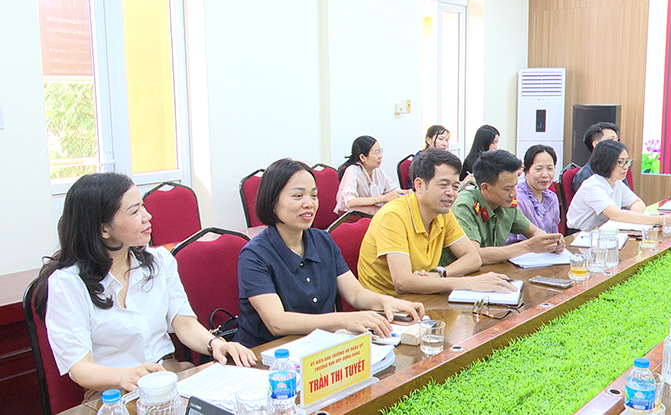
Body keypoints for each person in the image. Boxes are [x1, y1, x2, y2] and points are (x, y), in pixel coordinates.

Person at [35, 173, 256, 399]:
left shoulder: (159, 261)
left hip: (167, 377)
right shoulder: (67, 283)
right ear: (103, 229)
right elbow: (80, 368)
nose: (147, 216)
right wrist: (126, 376)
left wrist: (214, 344)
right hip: (113, 392)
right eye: (134, 211)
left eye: (143, 206)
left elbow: (185, 324)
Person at [235, 159, 424, 348]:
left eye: (313, 195)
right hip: (268, 353)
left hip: (318, 347)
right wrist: (343, 320)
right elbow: (277, 322)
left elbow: (355, 294)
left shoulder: (322, 240)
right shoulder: (255, 255)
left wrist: (386, 302)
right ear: (272, 202)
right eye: (298, 196)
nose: (309, 204)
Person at [357, 148, 516, 296]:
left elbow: (473, 258)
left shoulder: (442, 213)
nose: (451, 193)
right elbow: (403, 282)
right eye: (443, 185)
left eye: (455, 186)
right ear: (419, 185)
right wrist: (466, 283)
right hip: (386, 306)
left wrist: (439, 273)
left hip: (423, 298)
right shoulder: (393, 216)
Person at [442, 149, 564, 266]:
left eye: (515, 186)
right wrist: (528, 246)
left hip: (492, 272)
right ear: (485, 188)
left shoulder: (506, 204)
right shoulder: (464, 206)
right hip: (459, 276)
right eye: (507, 188)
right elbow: (475, 255)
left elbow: (533, 231)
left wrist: (550, 242)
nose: (514, 194)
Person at [566, 140, 671, 230]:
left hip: (604, 230)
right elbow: (615, 215)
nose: (625, 167)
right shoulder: (593, 186)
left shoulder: (617, 183)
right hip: (581, 235)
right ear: (606, 162)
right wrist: (660, 220)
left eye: (626, 162)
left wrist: (634, 218)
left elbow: (638, 203)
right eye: (620, 162)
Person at [335, 135, 407, 215]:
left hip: (372, 215)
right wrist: (383, 198)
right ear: (362, 157)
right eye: (376, 153)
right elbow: (350, 202)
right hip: (353, 217)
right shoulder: (352, 171)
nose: (380, 157)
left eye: (380, 152)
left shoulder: (377, 170)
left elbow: (393, 189)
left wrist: (407, 193)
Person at [506, 145, 561, 244]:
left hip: (547, 251)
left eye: (550, 168)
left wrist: (558, 243)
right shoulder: (518, 198)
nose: (545, 175)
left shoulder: (551, 198)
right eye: (538, 169)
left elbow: (554, 234)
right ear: (526, 171)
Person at [571, 122, 622, 194]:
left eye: (617, 140)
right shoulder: (585, 175)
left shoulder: (618, 170)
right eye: (611, 140)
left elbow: (629, 198)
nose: (617, 144)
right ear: (596, 144)